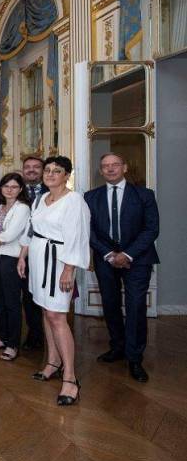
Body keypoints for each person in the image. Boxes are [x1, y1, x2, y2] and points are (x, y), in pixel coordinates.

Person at [17, 156, 89, 406]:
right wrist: (23, 256)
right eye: (47, 170)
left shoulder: (74, 201)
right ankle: (53, 362)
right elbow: (31, 230)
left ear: (67, 175)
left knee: (58, 316)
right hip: (38, 261)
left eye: (56, 171)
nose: (49, 174)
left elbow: (78, 237)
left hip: (58, 264)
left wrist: (69, 270)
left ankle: (70, 378)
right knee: (46, 313)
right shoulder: (40, 199)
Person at [85, 152, 159, 383]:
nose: (110, 169)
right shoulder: (90, 197)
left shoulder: (144, 195)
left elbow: (152, 229)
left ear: (124, 167)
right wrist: (108, 254)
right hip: (105, 259)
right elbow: (88, 231)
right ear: (101, 171)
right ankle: (117, 347)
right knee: (110, 304)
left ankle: (135, 357)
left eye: (115, 164)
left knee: (136, 306)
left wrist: (127, 254)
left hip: (138, 259)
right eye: (105, 166)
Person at [0, 173, 30, 362]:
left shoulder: (23, 208)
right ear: (1, 188)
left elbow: (9, 236)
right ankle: (3, 337)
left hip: (10, 259)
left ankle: (13, 344)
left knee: (11, 302)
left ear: (20, 189)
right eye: (6, 186)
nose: (9, 190)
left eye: (14, 187)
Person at [20, 156, 47, 351]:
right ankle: (34, 333)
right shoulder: (16, 191)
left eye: (36, 167)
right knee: (27, 298)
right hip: (20, 253)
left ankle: (50, 334)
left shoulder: (53, 192)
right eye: (27, 167)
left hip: (44, 253)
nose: (31, 170)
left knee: (44, 297)